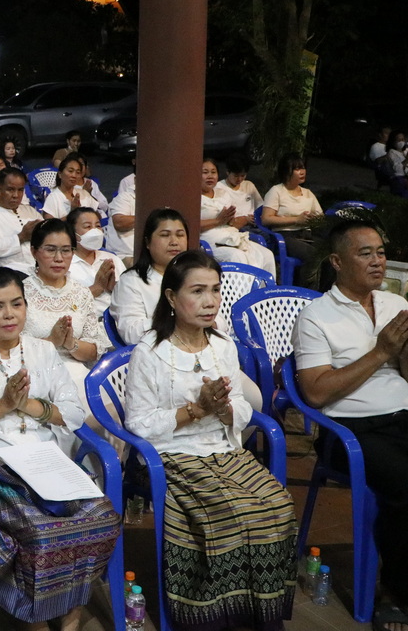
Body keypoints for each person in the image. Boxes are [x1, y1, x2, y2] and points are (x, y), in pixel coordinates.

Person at [293, 220, 408, 631]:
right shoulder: (315, 316)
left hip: (407, 423)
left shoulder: (396, 305)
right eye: (365, 253)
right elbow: (316, 394)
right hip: (351, 433)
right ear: (337, 262)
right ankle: (393, 593)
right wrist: (380, 352)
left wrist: (407, 356)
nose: (377, 261)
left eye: (380, 252)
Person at [0, 267, 120, 630]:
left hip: (43, 460)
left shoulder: (42, 351)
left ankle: (71, 615)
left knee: (101, 515)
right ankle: (36, 621)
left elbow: (72, 413)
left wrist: (31, 406)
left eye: (16, 304)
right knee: (39, 530)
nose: (9, 314)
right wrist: (4, 404)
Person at [125, 250, 297, 631]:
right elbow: (138, 423)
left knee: (277, 507)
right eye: (198, 291)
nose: (210, 301)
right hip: (172, 455)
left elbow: (241, 405)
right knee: (229, 512)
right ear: (171, 298)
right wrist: (196, 410)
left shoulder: (223, 346)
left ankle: (259, 614)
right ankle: (212, 616)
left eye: (216, 290)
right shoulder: (150, 352)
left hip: (223, 449)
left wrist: (223, 409)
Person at [20, 219, 104, 395]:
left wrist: (71, 343)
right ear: (34, 251)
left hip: (77, 375)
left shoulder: (81, 293)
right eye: (50, 250)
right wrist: (52, 341)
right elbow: (9, 350)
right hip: (32, 376)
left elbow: (94, 351)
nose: (59, 258)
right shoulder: (20, 293)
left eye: (66, 250)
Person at [109, 208, 188, 347]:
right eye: (165, 235)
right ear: (147, 242)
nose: (174, 242)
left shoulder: (194, 276)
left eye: (180, 235)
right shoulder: (131, 281)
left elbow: (220, 323)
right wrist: (179, 319)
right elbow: (131, 334)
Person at [199, 158, 277, 275]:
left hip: (232, 236)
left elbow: (232, 222)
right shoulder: (193, 197)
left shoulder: (223, 193)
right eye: (205, 172)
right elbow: (192, 226)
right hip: (210, 241)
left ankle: (265, 287)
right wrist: (218, 221)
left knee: (267, 255)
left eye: (213, 172)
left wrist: (237, 220)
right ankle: (245, 287)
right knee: (237, 256)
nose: (210, 176)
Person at [261, 153, 324, 287]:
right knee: (312, 256)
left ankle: (325, 292)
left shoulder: (308, 193)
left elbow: (321, 217)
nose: (302, 172)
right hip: (285, 236)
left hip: (306, 234)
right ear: (286, 172)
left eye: (303, 168)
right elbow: (266, 219)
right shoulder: (277, 191)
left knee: (329, 252)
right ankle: (304, 293)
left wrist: (313, 219)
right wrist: (296, 220)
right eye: (297, 169)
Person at [66, 207, 122, 336]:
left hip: (118, 326)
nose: (95, 231)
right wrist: (95, 288)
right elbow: (61, 304)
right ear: (72, 233)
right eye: (87, 226)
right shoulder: (65, 264)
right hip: (83, 329)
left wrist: (114, 288)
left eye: (97, 226)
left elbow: (130, 299)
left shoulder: (112, 259)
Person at [0, 167, 44, 273]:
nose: (16, 195)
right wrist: (21, 237)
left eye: (20, 190)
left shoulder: (30, 211)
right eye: (10, 189)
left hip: (42, 266)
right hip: (11, 271)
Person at [42, 153, 108, 220]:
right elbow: (49, 224)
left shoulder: (84, 194)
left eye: (78, 172)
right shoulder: (53, 198)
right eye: (70, 171)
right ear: (60, 174)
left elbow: (98, 216)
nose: (74, 175)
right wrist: (73, 212)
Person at [216, 153, 264, 218]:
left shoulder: (249, 185)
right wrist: (244, 219)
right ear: (227, 172)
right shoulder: (219, 187)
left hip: (253, 221)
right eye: (236, 176)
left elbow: (260, 205)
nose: (239, 179)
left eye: (243, 175)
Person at [104, 180, 136, 266]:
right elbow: (119, 223)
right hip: (126, 255)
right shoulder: (123, 198)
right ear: (136, 180)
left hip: (149, 255)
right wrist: (146, 215)